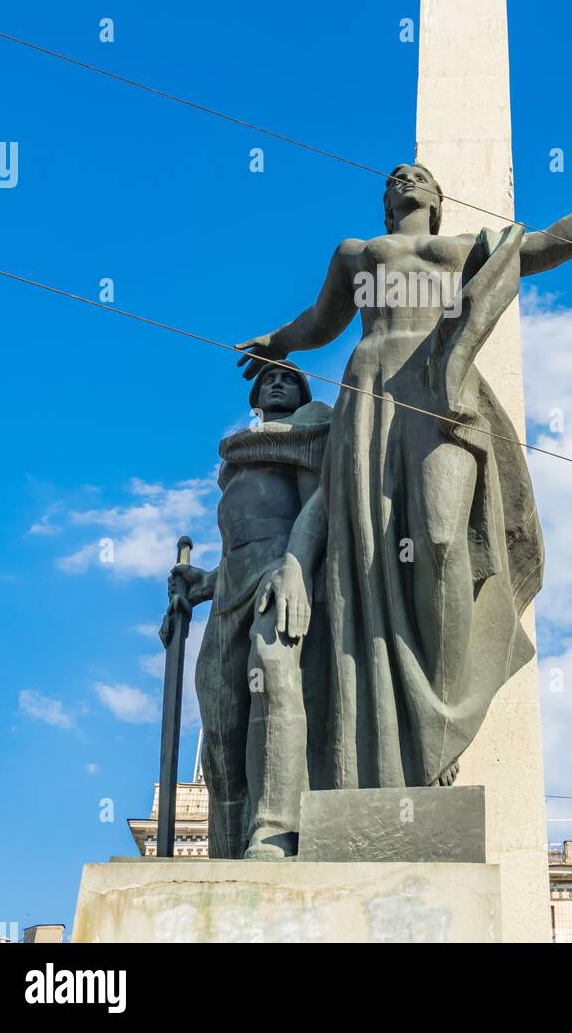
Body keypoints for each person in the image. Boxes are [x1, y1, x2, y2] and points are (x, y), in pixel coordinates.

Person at [236, 159, 572, 791]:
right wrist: (279, 341)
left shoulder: (460, 250)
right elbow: (321, 322)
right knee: (368, 552)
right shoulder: (358, 253)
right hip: (370, 392)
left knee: (445, 537)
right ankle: (398, 735)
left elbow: (539, 249)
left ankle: (440, 720)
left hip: (442, 391)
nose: (404, 176)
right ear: (386, 202)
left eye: (417, 174)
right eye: (395, 176)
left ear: (438, 198)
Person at [169, 362, 330, 858]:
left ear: (303, 392)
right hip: (230, 589)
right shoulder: (234, 467)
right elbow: (235, 543)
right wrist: (203, 583)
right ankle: (227, 842)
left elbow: (316, 506)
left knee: (273, 671)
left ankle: (275, 829)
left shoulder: (311, 424)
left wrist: (295, 569)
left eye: (288, 378)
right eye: (267, 379)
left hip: (279, 574)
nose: (276, 383)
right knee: (219, 713)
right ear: (255, 395)